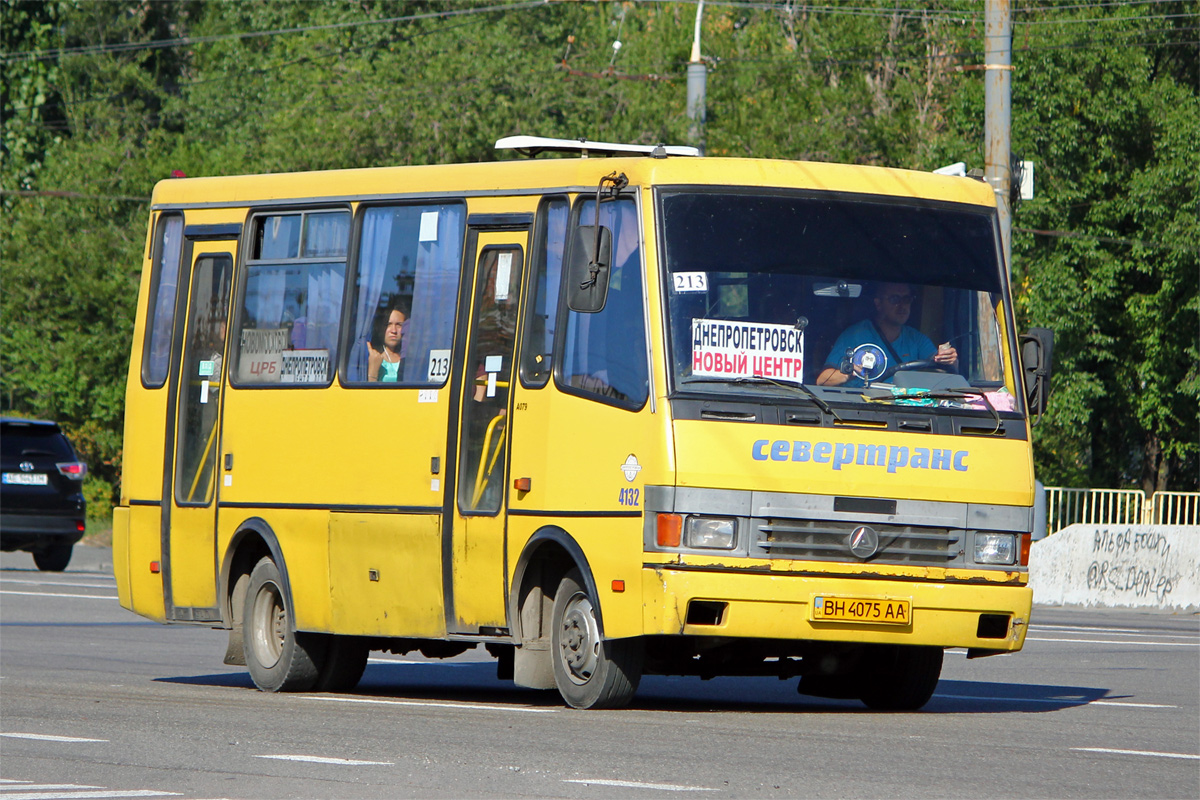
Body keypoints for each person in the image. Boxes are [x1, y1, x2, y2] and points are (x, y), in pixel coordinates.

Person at [816, 282, 957, 387]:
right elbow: (822, 380)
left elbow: (938, 365)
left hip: (904, 412)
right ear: (878, 304)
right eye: (895, 299)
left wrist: (949, 360)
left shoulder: (916, 339)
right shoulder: (855, 335)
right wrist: (849, 374)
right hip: (860, 409)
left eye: (906, 299)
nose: (902, 306)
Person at [367, 298, 409, 382]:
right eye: (388, 324)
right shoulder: (373, 357)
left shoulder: (408, 359)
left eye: (398, 325)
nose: (393, 330)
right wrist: (373, 372)